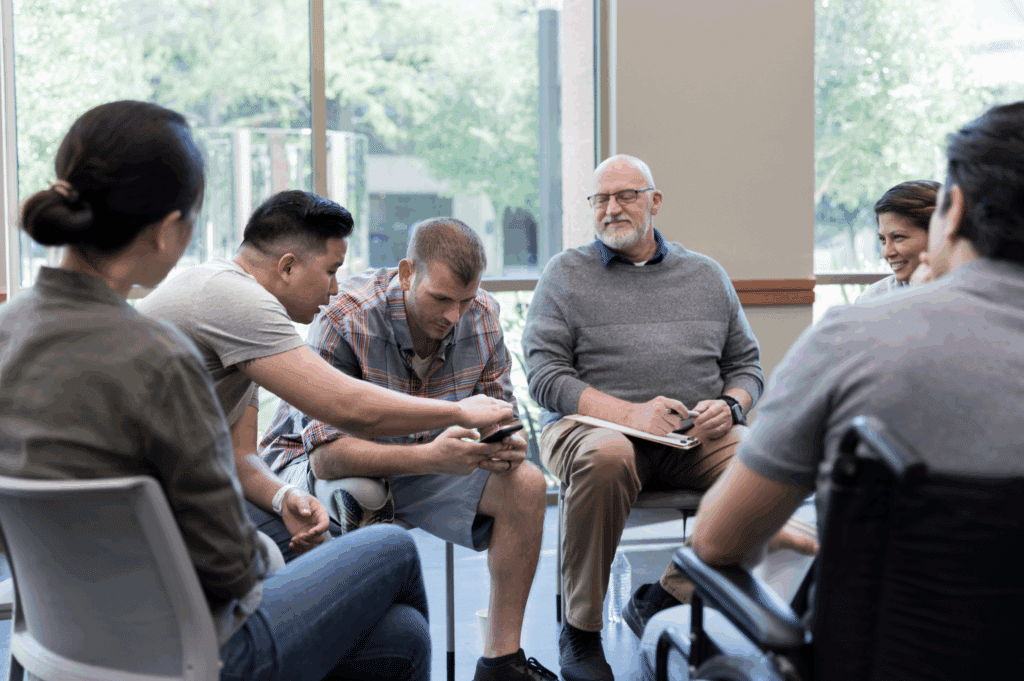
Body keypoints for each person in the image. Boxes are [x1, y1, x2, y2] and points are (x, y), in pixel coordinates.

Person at [0, 100, 430, 680]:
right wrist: (272, 558)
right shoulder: (156, 356)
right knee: (392, 550)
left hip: (61, 648)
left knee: (399, 636)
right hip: (197, 652)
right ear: (169, 228)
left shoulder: (8, 333)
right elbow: (231, 567)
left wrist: (277, 507)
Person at [634, 101, 1024, 678]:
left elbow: (716, 545)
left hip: (886, 661)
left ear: (955, 207)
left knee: (665, 637)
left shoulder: (855, 338)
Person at [137, 190, 513, 560]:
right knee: (389, 557)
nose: (334, 289)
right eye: (331, 271)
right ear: (287, 267)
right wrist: (460, 412)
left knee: (392, 610)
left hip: (156, 497)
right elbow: (345, 406)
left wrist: (284, 496)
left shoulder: (234, 311)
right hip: (133, 507)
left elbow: (240, 455)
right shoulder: (235, 300)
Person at [259, 217, 556, 681]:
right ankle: (362, 653)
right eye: (441, 298)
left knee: (527, 485)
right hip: (321, 469)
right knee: (361, 490)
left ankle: (502, 662)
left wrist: (506, 446)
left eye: (465, 299)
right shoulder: (344, 316)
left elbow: (500, 414)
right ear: (405, 273)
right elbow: (328, 454)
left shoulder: (483, 316)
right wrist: (433, 457)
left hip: (425, 460)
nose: (454, 315)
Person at [521, 154, 767, 681]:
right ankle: (580, 630)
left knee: (759, 456)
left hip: (690, 439)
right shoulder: (564, 275)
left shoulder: (706, 274)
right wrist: (630, 416)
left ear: (654, 202)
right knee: (610, 454)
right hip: (590, 432)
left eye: (626, 196)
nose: (612, 209)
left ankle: (666, 595)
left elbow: (747, 367)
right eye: (601, 200)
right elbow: (544, 376)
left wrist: (730, 407)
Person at [857, 180, 939, 302]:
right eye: (882, 239)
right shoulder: (871, 300)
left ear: (938, 235)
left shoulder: (970, 296)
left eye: (898, 237)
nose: (887, 253)